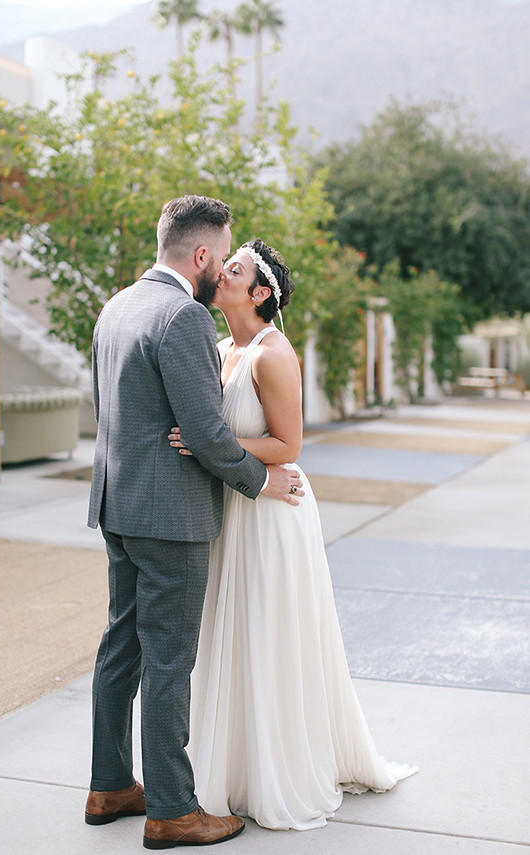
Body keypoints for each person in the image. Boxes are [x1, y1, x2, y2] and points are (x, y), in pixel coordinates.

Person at [170, 239, 417, 831]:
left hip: (273, 512)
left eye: (233, 269)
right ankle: (230, 769)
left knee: (266, 631)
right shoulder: (222, 345)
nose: (219, 272)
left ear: (259, 294)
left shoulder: (271, 353)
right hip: (234, 505)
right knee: (227, 632)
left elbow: (289, 446)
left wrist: (207, 447)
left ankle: (278, 770)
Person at [84, 197, 303, 850]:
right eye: (224, 253)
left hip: (119, 505)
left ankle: (110, 784)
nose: (224, 270)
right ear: (202, 256)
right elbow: (207, 436)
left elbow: (110, 412)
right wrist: (262, 480)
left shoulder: (119, 304)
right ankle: (174, 809)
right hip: (170, 515)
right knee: (169, 659)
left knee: (120, 645)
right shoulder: (183, 316)